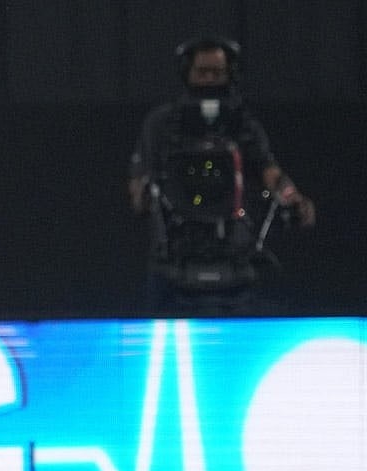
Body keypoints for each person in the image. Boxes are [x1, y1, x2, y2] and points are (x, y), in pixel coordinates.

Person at [126, 36, 316, 315]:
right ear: (187, 74)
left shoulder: (242, 125)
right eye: (202, 72)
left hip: (234, 254)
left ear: (230, 74)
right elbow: (138, 181)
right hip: (174, 258)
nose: (210, 80)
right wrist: (142, 194)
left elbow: (269, 171)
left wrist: (292, 197)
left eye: (217, 73)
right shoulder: (161, 124)